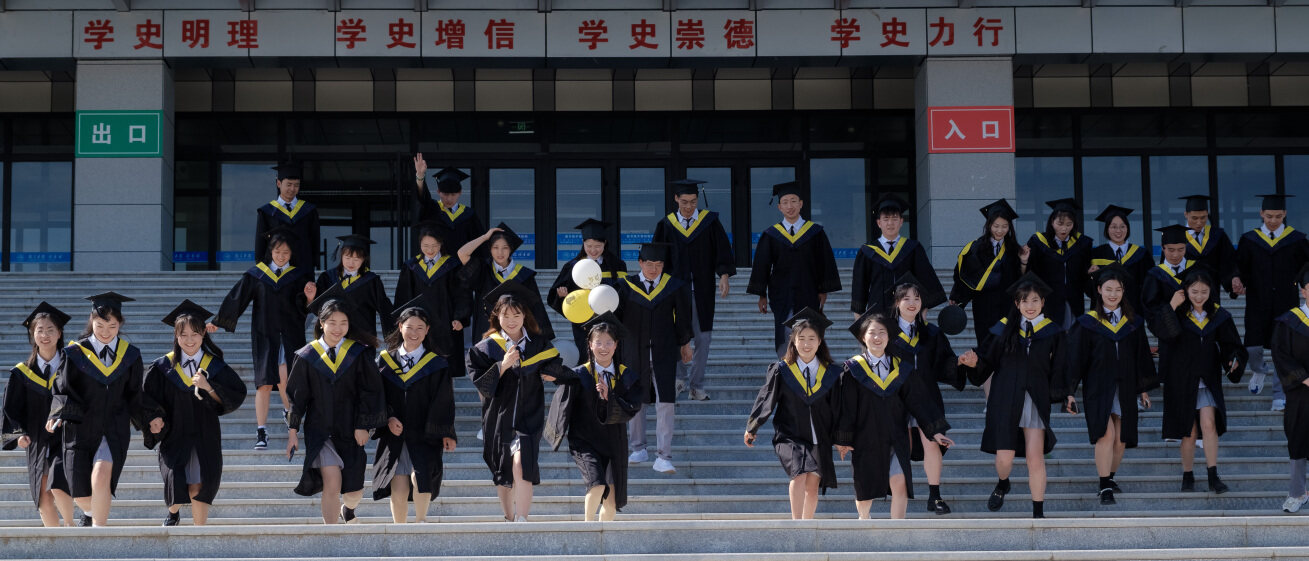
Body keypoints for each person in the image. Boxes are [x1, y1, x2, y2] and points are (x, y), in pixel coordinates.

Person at [49, 292, 164, 527]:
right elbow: (62, 388)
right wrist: (57, 413)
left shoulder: (130, 355)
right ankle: (92, 514)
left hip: (113, 427)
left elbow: (135, 394)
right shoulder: (74, 353)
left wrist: (150, 416)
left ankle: (100, 536)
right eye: (100, 325)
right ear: (91, 321)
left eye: (111, 326)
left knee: (102, 474)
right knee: (81, 494)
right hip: (80, 426)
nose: (105, 331)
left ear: (119, 324)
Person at [961, 272, 1067, 519]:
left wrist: (1067, 394)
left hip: (1035, 399)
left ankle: (1038, 511)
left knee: (1035, 457)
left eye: (1035, 301)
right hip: (1005, 398)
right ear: (1017, 304)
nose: (1030, 306)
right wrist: (974, 362)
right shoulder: (1002, 330)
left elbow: (1061, 367)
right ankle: (1003, 482)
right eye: (1025, 301)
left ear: (1043, 303)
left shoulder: (1052, 332)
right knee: (1004, 459)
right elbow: (986, 361)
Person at [468, 281, 570, 522]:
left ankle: (523, 518)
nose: (511, 320)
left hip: (529, 415)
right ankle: (509, 516)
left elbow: (556, 367)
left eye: (516, 314)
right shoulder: (484, 348)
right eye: (505, 315)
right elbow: (480, 384)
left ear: (525, 315)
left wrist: (553, 373)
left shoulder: (539, 344)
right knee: (503, 471)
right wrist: (502, 366)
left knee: (522, 464)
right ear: (496, 317)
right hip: (498, 417)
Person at [835, 313, 954, 520]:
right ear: (863, 337)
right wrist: (843, 439)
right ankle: (864, 520)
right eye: (872, 332)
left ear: (889, 337)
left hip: (896, 434)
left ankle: (896, 531)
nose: (878, 337)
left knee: (899, 482)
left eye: (883, 332)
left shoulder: (901, 368)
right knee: (865, 490)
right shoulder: (853, 369)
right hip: (866, 436)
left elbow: (918, 401)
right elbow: (846, 407)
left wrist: (934, 431)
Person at [210, 226, 315, 450]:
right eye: (278, 252)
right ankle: (262, 430)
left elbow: (303, 310)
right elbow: (237, 298)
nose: (281, 256)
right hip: (265, 335)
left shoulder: (298, 276)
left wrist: (309, 299)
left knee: (286, 378)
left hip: (290, 334)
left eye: (286, 253)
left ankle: (290, 418)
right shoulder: (256, 275)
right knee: (264, 384)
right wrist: (218, 321)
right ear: (270, 251)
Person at [143, 300, 247, 526]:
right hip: (174, 432)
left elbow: (235, 395)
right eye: (184, 335)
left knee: (200, 484)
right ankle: (173, 513)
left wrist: (209, 387)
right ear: (176, 336)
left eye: (195, 334)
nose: (190, 340)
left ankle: (200, 532)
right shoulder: (163, 367)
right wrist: (153, 418)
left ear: (203, 335)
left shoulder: (215, 365)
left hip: (204, 431)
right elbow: (147, 399)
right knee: (174, 477)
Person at [285, 295, 386, 525]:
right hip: (319, 430)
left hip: (351, 428)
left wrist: (363, 425)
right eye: (332, 322)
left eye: (343, 323)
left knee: (354, 492)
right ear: (321, 323)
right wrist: (293, 431)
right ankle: (331, 535)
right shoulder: (307, 355)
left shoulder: (358, 353)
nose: (338, 328)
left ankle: (348, 509)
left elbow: (370, 391)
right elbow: (297, 398)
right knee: (332, 482)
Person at [1065, 265, 1159, 506]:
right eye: (1108, 289)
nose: (1113, 294)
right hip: (1098, 386)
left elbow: (1140, 358)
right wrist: (1070, 392)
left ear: (1123, 290)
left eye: (1117, 289)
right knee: (1105, 435)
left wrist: (1143, 388)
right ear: (1099, 290)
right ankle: (1104, 483)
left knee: (1121, 440)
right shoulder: (1088, 323)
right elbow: (1075, 359)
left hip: (1126, 385)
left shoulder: (1133, 323)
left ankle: (1110, 476)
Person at [1154, 267, 1246, 494]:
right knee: (1189, 430)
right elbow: (1162, 333)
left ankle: (1213, 475)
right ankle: (1188, 474)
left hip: (1207, 377)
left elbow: (1231, 345)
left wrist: (1233, 360)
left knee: (1209, 423)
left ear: (1210, 292)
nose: (1199, 296)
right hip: (1181, 378)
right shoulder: (1176, 313)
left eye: (1204, 292)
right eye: (1194, 291)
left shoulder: (1218, 315)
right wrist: (1172, 305)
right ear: (1185, 290)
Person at [744, 307, 840, 520]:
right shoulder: (782, 370)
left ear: (820, 341)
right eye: (802, 338)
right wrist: (753, 426)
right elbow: (766, 397)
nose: (806, 344)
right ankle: (797, 524)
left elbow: (839, 408)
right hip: (790, 433)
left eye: (812, 339)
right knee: (799, 473)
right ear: (793, 341)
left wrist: (842, 438)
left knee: (813, 486)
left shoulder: (832, 373)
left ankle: (807, 525)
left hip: (819, 435)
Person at [545, 312, 641, 521]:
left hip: (613, 441)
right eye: (599, 342)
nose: (604, 348)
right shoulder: (579, 374)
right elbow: (559, 384)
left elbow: (632, 407)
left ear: (616, 346)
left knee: (612, 495)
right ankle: (587, 531)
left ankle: (605, 537)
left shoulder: (626, 376)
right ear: (589, 344)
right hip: (584, 440)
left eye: (609, 342)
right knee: (596, 484)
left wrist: (611, 397)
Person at [371, 300, 457, 524]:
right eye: (410, 327)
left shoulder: (436, 364)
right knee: (398, 485)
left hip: (425, 430)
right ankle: (400, 530)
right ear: (400, 327)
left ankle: (421, 523)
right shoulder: (384, 361)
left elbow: (444, 401)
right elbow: (376, 396)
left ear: (427, 330)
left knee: (422, 478)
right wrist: (387, 418)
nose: (414, 332)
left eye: (420, 328)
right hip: (395, 431)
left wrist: (446, 432)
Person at [888, 273, 966, 515]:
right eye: (906, 298)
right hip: (897, 397)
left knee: (932, 441)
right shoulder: (884, 333)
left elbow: (943, 363)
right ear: (897, 302)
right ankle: (900, 493)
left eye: (917, 298)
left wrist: (960, 363)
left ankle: (935, 496)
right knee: (903, 444)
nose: (912, 302)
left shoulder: (931, 333)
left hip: (926, 395)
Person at [652, 179, 736, 402]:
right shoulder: (666, 225)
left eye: (693, 202)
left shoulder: (709, 222)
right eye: (685, 202)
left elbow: (722, 251)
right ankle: (679, 378)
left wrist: (724, 276)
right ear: (676, 200)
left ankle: (697, 385)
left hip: (702, 289)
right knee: (675, 335)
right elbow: (656, 258)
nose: (689, 207)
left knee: (703, 337)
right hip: (673, 291)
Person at [616, 243, 694, 474]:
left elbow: (683, 318)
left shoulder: (673, 286)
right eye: (649, 264)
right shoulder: (624, 287)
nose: (653, 269)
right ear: (640, 263)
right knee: (635, 400)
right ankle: (638, 448)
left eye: (658, 265)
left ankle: (664, 455)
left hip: (664, 350)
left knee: (666, 402)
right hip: (633, 350)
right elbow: (616, 319)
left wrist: (685, 344)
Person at [747, 181, 842, 358]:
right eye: (785, 202)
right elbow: (763, 265)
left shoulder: (814, 232)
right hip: (781, 293)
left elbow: (824, 262)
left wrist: (823, 289)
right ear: (779, 207)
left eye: (793, 201)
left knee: (809, 332)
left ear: (801, 204)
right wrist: (761, 294)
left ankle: (808, 369)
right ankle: (787, 371)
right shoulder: (771, 234)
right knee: (784, 334)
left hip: (809, 291)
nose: (789, 206)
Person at [2, 302, 75, 526]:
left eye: (50, 329)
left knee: (58, 484)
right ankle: (57, 543)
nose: (45, 335)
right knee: (43, 497)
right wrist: (18, 433)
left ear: (59, 333)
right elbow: (11, 408)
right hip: (36, 438)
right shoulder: (21, 373)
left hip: (66, 436)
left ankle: (73, 528)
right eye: (39, 330)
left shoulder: (72, 366)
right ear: (32, 334)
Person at [1237, 194, 1309, 412]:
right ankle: (1259, 370)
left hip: (1286, 303)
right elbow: (1240, 266)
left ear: (1284, 215)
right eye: (1269, 216)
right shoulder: (1249, 239)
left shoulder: (1296, 239)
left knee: (1282, 349)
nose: (1273, 220)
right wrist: (1236, 279)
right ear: (1261, 214)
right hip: (1257, 301)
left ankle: (1279, 395)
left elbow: (1306, 267)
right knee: (1252, 348)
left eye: (1278, 216)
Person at [851, 194, 946, 319]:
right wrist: (859, 318)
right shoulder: (867, 251)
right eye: (886, 219)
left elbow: (925, 279)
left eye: (895, 218)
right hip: (878, 313)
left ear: (901, 222)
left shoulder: (913, 248)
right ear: (879, 223)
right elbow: (860, 286)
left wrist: (923, 312)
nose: (890, 223)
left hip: (908, 314)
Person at [549, 219, 629, 363]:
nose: (593, 250)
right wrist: (562, 296)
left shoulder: (616, 265)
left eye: (598, 246)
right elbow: (556, 297)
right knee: (587, 359)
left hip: (610, 321)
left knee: (611, 358)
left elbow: (624, 293)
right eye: (589, 245)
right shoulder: (573, 266)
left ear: (605, 243)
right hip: (584, 325)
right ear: (583, 244)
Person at [458, 223, 554, 342]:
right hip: (488, 330)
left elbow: (536, 308)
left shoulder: (523, 275)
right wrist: (485, 237)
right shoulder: (483, 270)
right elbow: (462, 253)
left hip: (516, 331)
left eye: (505, 247)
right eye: (495, 247)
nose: (500, 252)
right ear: (490, 249)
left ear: (511, 249)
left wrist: (541, 337)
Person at [394, 222, 472, 369]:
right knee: (418, 366)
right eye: (426, 246)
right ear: (420, 244)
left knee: (445, 368)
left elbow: (462, 294)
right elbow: (403, 297)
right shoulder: (412, 266)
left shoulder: (452, 265)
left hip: (446, 323)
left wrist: (461, 318)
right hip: (418, 323)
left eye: (434, 245)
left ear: (441, 244)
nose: (430, 250)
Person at [950, 199, 1026, 346]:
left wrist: (1023, 261)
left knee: (1006, 344)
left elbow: (1020, 279)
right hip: (983, 305)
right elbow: (964, 275)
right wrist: (957, 298)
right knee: (985, 344)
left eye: (1005, 226)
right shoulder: (976, 248)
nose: (1000, 230)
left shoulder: (1014, 250)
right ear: (989, 225)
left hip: (1007, 305)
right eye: (996, 226)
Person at [1271, 264, 1309, 512]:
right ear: (1304, 290)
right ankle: (1297, 493)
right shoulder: (1288, 321)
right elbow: (1280, 354)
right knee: (1298, 440)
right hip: (1299, 393)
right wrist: (1304, 378)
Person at [309, 234, 394, 341]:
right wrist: (311, 298)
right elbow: (318, 308)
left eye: (356, 259)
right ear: (341, 256)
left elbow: (385, 309)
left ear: (364, 259)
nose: (351, 263)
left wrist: (392, 336)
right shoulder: (328, 277)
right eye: (347, 257)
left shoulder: (371, 281)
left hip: (363, 335)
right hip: (335, 335)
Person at [1024, 198, 1093, 329]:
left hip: (1073, 299)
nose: (1064, 228)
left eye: (1069, 224)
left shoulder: (1082, 244)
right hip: (1047, 299)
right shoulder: (1039, 242)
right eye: (1060, 223)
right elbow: (1032, 272)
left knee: (1071, 336)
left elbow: (1084, 275)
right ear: (1051, 222)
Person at [412, 156, 484, 258]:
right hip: (438, 267)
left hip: (462, 268)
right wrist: (420, 175)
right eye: (445, 194)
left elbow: (479, 245)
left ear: (460, 193)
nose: (449, 199)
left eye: (453, 195)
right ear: (438, 192)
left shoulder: (469, 215)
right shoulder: (432, 209)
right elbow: (422, 197)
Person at [255, 161, 320, 271]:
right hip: (275, 268)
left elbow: (314, 240)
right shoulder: (267, 211)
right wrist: (262, 266)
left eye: (296, 185)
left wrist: (313, 265)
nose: (292, 189)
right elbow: (260, 243)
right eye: (289, 184)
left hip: (303, 268)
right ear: (279, 183)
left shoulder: (309, 210)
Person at [1086, 205, 1151, 316]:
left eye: (1122, 226)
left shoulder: (1141, 254)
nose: (1118, 231)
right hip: (1104, 312)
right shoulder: (1096, 254)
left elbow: (1148, 286)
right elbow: (1089, 290)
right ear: (1107, 229)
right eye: (1113, 227)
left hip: (1133, 311)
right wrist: (1090, 277)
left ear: (1127, 228)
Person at [1177, 195, 1239, 302]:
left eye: (1203, 217)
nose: (1199, 222)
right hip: (1185, 296)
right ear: (1186, 215)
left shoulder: (1217, 235)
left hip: (1212, 293)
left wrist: (1234, 278)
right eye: (1194, 218)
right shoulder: (1176, 236)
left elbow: (1229, 262)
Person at [1140, 225, 1195, 335]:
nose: (1175, 254)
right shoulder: (1154, 275)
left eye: (1181, 249)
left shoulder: (1196, 269)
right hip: (1169, 337)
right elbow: (1150, 312)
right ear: (1162, 247)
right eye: (1171, 250)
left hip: (1196, 334)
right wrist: (1171, 306)